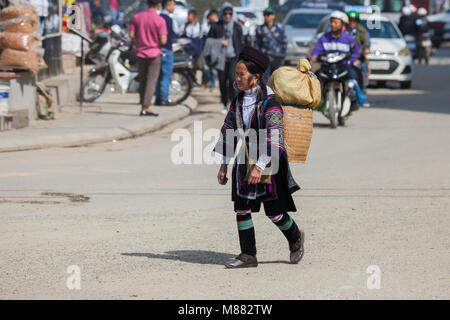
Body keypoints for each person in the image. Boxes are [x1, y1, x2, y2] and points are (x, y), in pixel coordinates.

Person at [214, 46, 305, 269]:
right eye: (236, 73)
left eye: (241, 74)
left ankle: (295, 238)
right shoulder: (238, 101)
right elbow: (228, 131)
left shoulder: (270, 101)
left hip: (267, 159)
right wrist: (224, 165)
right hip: (246, 157)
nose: (237, 78)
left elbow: (275, 137)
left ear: (255, 77)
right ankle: (248, 255)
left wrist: (260, 166)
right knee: (242, 206)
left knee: (274, 212)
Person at [311, 11, 361, 107]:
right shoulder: (323, 38)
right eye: (331, 22)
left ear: (342, 24)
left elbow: (355, 53)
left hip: (344, 67)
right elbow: (317, 51)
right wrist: (315, 56)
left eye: (335, 22)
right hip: (327, 67)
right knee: (314, 78)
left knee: (355, 75)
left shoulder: (349, 39)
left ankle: (353, 98)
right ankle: (318, 99)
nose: (332, 24)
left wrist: (354, 60)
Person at [129, 0, 167, 117]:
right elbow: (163, 40)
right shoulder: (160, 20)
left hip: (140, 52)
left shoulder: (137, 17)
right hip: (154, 53)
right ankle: (145, 107)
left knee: (143, 78)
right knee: (151, 80)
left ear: (147, 3)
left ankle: (142, 101)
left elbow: (131, 35)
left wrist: (141, 38)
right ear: (159, 5)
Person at [207, 4, 244, 114]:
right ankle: (224, 103)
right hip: (221, 58)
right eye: (225, 13)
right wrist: (219, 42)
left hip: (233, 57)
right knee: (222, 81)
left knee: (233, 80)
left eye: (230, 13)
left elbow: (241, 43)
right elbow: (208, 42)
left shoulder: (237, 27)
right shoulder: (216, 26)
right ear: (222, 14)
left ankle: (233, 103)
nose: (227, 16)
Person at [255, 7, 287, 82]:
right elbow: (257, 44)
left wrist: (282, 54)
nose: (266, 17)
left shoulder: (279, 28)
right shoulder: (260, 29)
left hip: (277, 57)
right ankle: (266, 93)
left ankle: (275, 94)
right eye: (265, 15)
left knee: (276, 79)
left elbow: (284, 42)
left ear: (273, 16)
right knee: (264, 79)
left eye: (268, 15)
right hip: (265, 57)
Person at [346, 10, 371, 106]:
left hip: (356, 57)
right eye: (350, 21)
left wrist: (366, 49)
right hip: (341, 57)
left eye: (354, 21)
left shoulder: (361, 30)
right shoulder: (343, 30)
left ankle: (362, 90)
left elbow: (366, 42)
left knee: (362, 68)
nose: (352, 23)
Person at [155, 0, 177, 106]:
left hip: (157, 49)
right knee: (166, 76)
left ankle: (158, 98)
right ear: (168, 5)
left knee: (158, 75)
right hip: (167, 50)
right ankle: (164, 98)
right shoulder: (168, 19)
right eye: (173, 5)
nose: (174, 7)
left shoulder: (158, 17)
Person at [201, 9, 219, 91]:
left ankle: (212, 85)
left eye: (214, 15)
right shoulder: (204, 26)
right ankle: (205, 81)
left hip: (215, 51)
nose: (213, 17)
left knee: (214, 70)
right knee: (206, 69)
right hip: (206, 50)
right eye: (211, 15)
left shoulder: (219, 26)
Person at [183, 9, 203, 79]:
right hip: (187, 50)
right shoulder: (185, 26)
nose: (188, 17)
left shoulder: (200, 26)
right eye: (188, 15)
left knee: (195, 66)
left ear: (194, 17)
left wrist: (200, 50)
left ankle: (193, 80)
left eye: (190, 15)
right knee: (188, 66)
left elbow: (202, 38)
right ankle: (189, 80)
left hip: (197, 50)